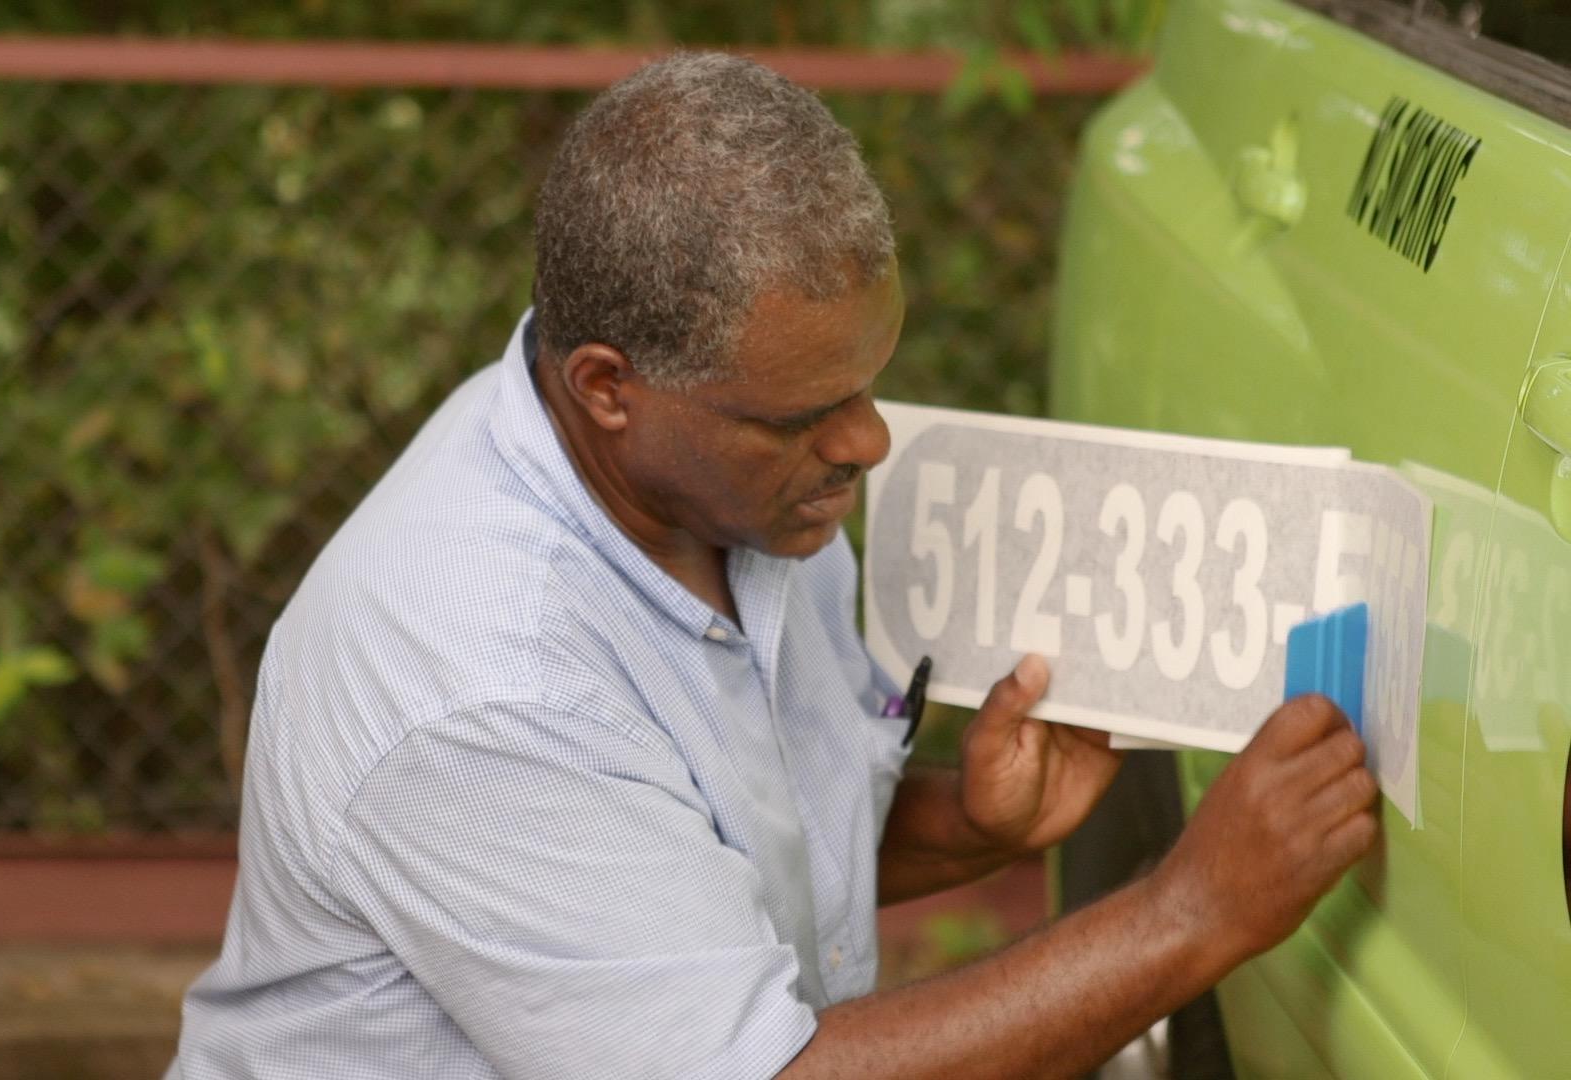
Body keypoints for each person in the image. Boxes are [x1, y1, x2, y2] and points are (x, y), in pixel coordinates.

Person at [168, 52, 1378, 1079]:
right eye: (801, 414)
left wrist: (968, 826)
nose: (866, 443)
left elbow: (704, 867)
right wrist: (1190, 917)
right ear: (608, 390)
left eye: (865, 382)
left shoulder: (725, 491)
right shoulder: (486, 686)